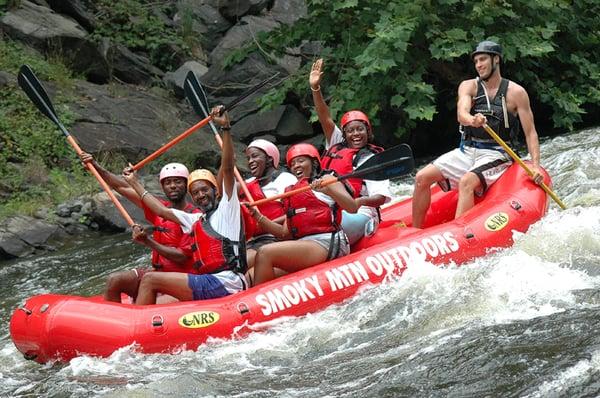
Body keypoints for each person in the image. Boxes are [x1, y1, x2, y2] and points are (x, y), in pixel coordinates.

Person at [122, 105, 256, 304]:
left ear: (216, 191)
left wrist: (225, 129)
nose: (201, 195)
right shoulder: (195, 219)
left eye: (205, 190)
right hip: (208, 280)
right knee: (150, 279)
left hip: (228, 281)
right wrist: (134, 183)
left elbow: (227, 168)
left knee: (150, 279)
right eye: (195, 193)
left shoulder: (228, 207)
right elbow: (160, 210)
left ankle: (135, 331)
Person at [411, 40, 544, 228]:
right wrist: (473, 120)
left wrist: (536, 166)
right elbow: (461, 113)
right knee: (421, 177)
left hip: (498, 153)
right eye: (476, 61)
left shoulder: (516, 93)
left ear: (496, 59)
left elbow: (530, 133)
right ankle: (416, 231)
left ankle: (457, 234)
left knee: (467, 182)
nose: (479, 65)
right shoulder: (469, 86)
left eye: (483, 60)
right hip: (467, 150)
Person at [79, 153, 198, 302]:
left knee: (146, 304)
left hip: (182, 279)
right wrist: (96, 166)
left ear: (186, 185)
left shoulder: (195, 217)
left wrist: (147, 241)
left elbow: (181, 257)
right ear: (163, 186)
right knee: (114, 280)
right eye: (168, 182)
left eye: (177, 181)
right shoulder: (158, 208)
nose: (172, 186)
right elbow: (121, 186)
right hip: (157, 274)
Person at [249, 143, 359, 286]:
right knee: (251, 274)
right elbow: (284, 233)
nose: (296, 166)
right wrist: (258, 217)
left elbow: (352, 207)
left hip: (327, 243)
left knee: (265, 253)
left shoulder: (327, 179)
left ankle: (259, 303)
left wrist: (328, 191)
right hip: (304, 245)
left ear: (313, 163)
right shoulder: (293, 192)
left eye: (301, 161)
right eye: (293, 164)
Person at [310, 58, 392, 245]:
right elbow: (325, 118)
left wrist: (359, 202)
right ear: (344, 134)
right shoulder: (337, 143)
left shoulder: (372, 158)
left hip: (359, 214)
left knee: (321, 221)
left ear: (367, 132)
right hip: (330, 207)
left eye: (360, 129)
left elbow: (379, 198)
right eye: (351, 130)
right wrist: (316, 89)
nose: (356, 134)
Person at [239, 139, 297, 263]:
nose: (250, 161)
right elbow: (225, 189)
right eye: (248, 158)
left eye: (255, 156)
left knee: (242, 263)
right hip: (251, 241)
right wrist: (227, 163)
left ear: (269, 159)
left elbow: (295, 212)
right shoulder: (248, 184)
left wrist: (266, 223)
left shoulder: (285, 179)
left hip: (276, 237)